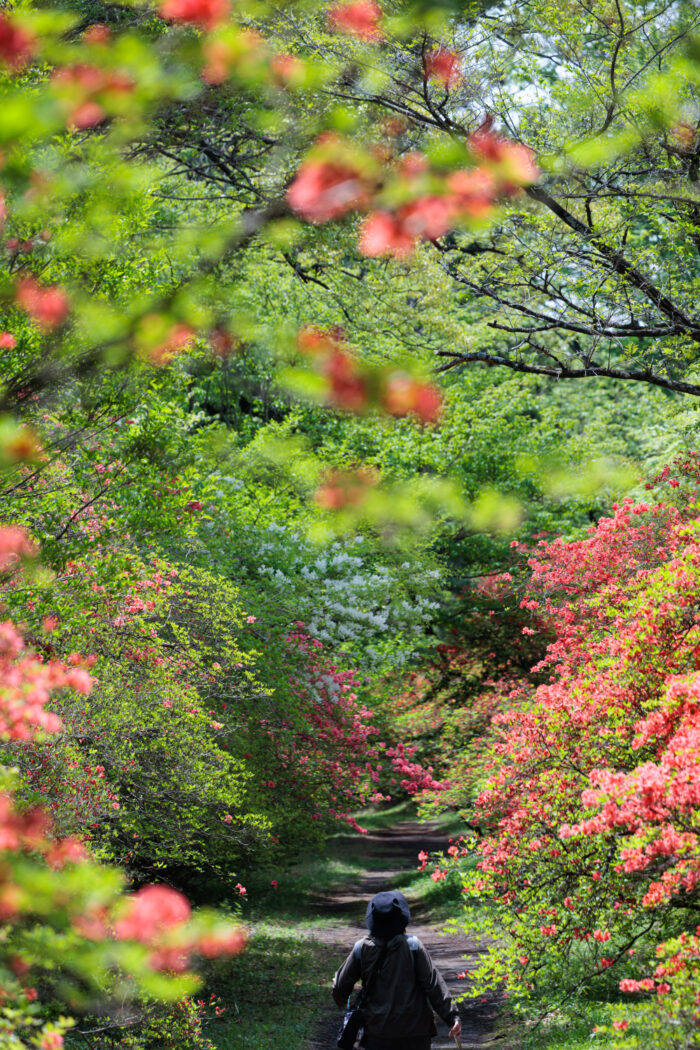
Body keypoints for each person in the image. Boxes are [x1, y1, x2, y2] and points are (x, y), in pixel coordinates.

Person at [332, 890, 463, 1050]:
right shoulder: (414, 946)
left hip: (377, 1033)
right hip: (415, 1033)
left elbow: (340, 987)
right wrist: (452, 1017)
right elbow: (434, 986)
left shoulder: (362, 949)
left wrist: (343, 1000)